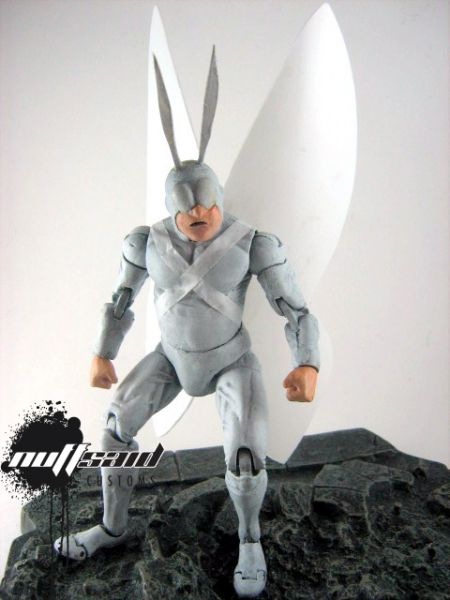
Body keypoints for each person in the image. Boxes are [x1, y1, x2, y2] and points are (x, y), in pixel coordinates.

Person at [54, 50, 319, 599]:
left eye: (206, 205)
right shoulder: (145, 242)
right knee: (114, 429)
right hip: (170, 358)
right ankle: (112, 527)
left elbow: (296, 309)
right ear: (171, 208)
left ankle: (250, 539)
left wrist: (307, 363)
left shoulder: (254, 244)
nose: (198, 214)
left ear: (219, 199)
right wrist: (103, 351)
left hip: (230, 361)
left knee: (245, 455)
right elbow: (121, 299)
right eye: (186, 208)